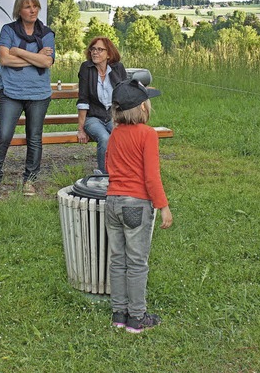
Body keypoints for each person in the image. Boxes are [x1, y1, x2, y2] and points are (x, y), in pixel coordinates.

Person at [105, 78, 173, 333]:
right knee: (136, 262)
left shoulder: (114, 134)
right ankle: (136, 317)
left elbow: (109, 165)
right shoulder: (148, 134)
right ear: (143, 108)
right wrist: (163, 205)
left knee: (118, 260)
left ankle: (119, 314)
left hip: (112, 202)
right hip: (136, 205)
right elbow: (151, 176)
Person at [0, 0, 55, 198]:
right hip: (12, 92)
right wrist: (35, 57)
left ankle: (30, 181)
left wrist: (19, 52)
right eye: (27, 6)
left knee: (34, 138)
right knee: (3, 135)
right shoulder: (8, 30)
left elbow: (47, 62)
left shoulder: (47, 33)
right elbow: (4, 60)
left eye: (35, 6)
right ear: (19, 10)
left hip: (39, 94)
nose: (32, 10)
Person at [76, 37, 127, 173]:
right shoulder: (86, 68)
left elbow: (124, 95)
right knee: (105, 138)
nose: (95, 52)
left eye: (100, 49)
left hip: (113, 116)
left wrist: (122, 120)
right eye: (93, 49)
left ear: (109, 54)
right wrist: (81, 129)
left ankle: (123, 173)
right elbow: (83, 100)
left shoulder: (118, 68)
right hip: (93, 117)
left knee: (123, 136)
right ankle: (103, 176)